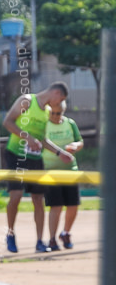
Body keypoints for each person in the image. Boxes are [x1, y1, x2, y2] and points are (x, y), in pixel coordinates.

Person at [1, 82, 74, 253]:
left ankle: (40, 241)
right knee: (16, 196)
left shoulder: (47, 112)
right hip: (16, 154)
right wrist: (27, 138)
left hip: (35, 158)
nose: (59, 104)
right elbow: (8, 122)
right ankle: (10, 234)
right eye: (60, 99)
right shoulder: (27, 101)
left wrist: (60, 153)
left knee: (38, 200)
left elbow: (41, 139)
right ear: (55, 93)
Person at [42, 102, 83, 251]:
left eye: (58, 113)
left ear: (63, 112)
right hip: (51, 170)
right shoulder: (45, 125)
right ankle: (52, 239)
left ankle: (65, 233)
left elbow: (80, 141)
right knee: (56, 206)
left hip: (70, 171)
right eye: (52, 113)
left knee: (73, 205)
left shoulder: (70, 123)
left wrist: (75, 146)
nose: (55, 116)